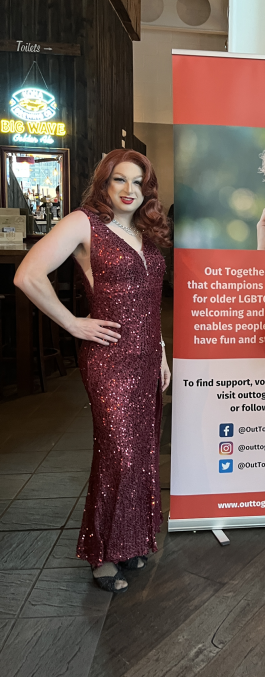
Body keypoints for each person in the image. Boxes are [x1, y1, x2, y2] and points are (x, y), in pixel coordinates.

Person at [14, 150, 172, 594]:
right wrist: (72, 323)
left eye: (138, 183)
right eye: (118, 180)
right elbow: (27, 274)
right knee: (118, 451)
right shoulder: (84, 222)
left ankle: (132, 541)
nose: (128, 190)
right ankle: (103, 553)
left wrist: (160, 351)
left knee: (142, 452)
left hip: (145, 358)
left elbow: (148, 303)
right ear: (103, 183)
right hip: (108, 359)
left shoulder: (143, 229)